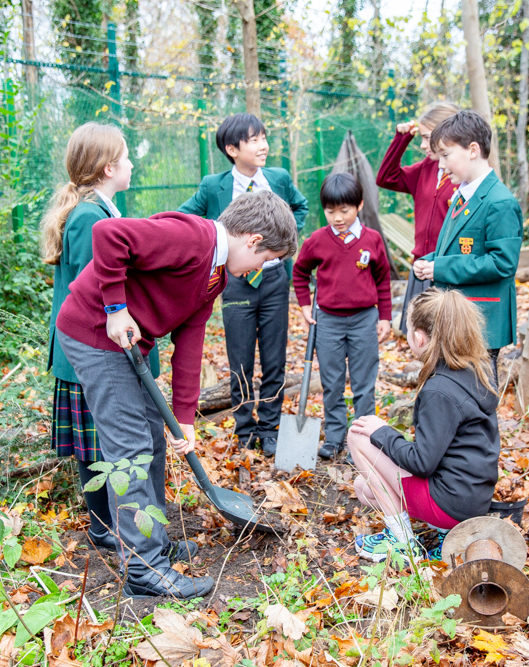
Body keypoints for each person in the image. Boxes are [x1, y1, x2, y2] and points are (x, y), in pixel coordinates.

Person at [56, 191, 299, 599]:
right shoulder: (192, 238)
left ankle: (153, 538)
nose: (260, 268)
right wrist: (116, 308)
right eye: (265, 259)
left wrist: (184, 413)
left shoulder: (216, 272)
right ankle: (145, 569)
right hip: (96, 335)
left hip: (129, 347)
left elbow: (191, 335)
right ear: (253, 241)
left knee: (152, 437)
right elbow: (109, 233)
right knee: (129, 448)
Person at [178, 114, 308, 457]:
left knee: (275, 358)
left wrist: (285, 239)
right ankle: (244, 430)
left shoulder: (278, 179)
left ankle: (270, 429)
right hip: (234, 281)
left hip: (275, 279)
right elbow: (185, 217)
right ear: (232, 149)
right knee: (239, 359)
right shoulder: (213, 185)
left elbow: (301, 205)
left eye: (264, 137)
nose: (263, 145)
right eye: (254, 140)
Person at [347, 288, 501, 562]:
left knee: (358, 436)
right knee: (364, 486)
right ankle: (443, 535)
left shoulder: (439, 390)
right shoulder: (474, 369)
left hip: (449, 502)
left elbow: (422, 463)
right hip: (471, 497)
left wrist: (382, 432)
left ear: (419, 337)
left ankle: (403, 543)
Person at [41, 122, 133, 552]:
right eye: (127, 157)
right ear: (109, 167)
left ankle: (110, 524)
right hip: (88, 354)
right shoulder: (88, 218)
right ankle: (103, 528)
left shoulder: (100, 211)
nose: (132, 163)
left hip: (91, 352)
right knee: (95, 445)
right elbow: (91, 294)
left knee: (99, 439)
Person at [413, 111, 523, 383]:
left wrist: (441, 268)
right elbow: (455, 250)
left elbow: (502, 263)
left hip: (481, 321)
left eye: (447, 155)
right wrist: (429, 261)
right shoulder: (461, 195)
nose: (441, 165)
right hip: (456, 319)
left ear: (473, 150)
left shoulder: (499, 202)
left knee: (480, 398)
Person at [292, 173, 392, 460]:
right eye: (330, 210)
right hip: (328, 322)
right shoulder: (317, 241)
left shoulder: (372, 240)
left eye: (344, 210)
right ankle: (335, 436)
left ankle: (362, 442)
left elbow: (383, 279)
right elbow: (300, 272)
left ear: (359, 205)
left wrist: (384, 317)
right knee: (332, 382)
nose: (337, 217)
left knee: (363, 383)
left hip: (364, 320)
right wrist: (304, 305)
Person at [375, 101, 461, 335]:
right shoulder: (426, 169)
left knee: (447, 338)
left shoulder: (463, 174)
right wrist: (401, 139)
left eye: (427, 137)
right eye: (420, 138)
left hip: (448, 270)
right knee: (421, 338)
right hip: (421, 268)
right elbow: (386, 178)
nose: (423, 145)